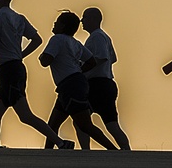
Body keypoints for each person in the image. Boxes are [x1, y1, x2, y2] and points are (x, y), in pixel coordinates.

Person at [0, 0, 72, 149]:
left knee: (25, 115)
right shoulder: (19, 18)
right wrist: (20, 55)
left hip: (8, 69)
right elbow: (36, 39)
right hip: (14, 67)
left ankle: (60, 142)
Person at [40, 11, 118, 150]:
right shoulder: (75, 43)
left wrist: (42, 56)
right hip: (71, 85)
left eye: (57, 22)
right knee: (53, 124)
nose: (54, 24)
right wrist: (78, 71)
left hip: (71, 86)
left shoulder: (57, 39)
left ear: (62, 26)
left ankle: (113, 150)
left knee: (85, 125)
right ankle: (48, 153)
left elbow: (45, 61)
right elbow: (91, 61)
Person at [79, 7, 131, 150]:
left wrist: (81, 69)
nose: (82, 21)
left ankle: (85, 151)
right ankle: (127, 151)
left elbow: (102, 58)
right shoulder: (104, 36)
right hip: (105, 83)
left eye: (85, 17)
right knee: (111, 124)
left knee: (81, 120)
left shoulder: (97, 37)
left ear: (95, 19)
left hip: (97, 85)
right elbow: (112, 59)